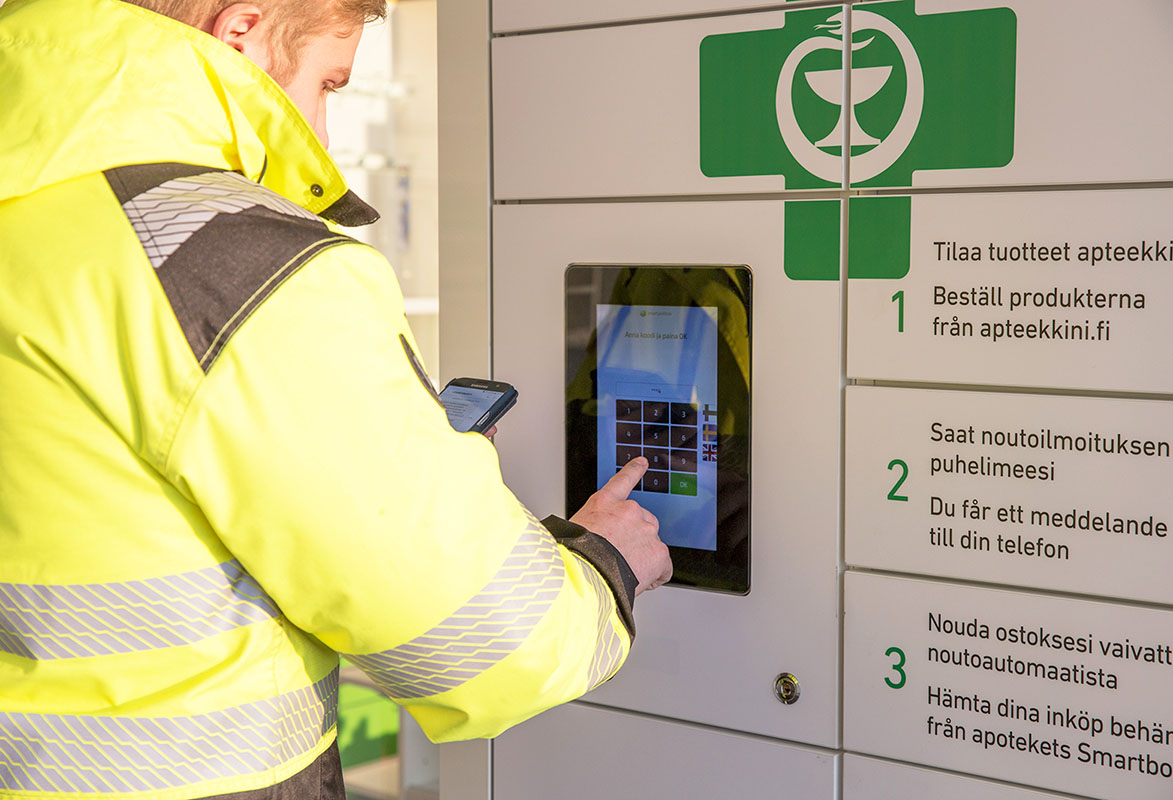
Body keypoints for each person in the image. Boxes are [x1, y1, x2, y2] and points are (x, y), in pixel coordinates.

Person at [0, 0, 673, 798]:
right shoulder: (230, 259)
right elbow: (492, 644)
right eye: (327, 83)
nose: (320, 135)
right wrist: (603, 564)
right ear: (240, 32)